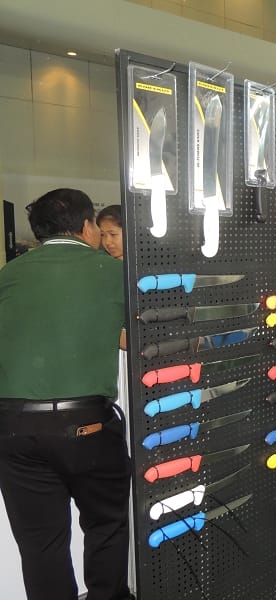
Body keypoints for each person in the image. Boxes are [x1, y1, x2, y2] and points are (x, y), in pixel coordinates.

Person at [0, 189, 132, 600]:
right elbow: (138, 340)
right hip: (86, 426)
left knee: (40, 544)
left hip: (14, 429)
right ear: (86, 226)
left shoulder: (8, 274)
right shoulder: (113, 272)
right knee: (105, 525)